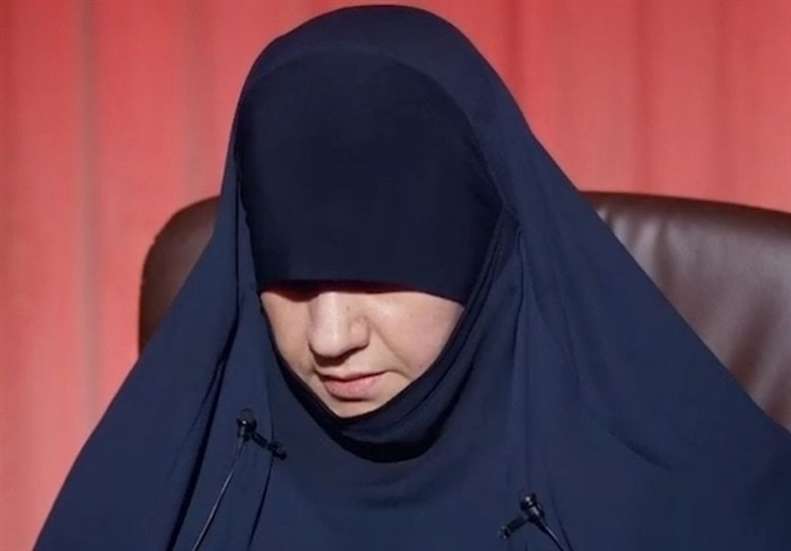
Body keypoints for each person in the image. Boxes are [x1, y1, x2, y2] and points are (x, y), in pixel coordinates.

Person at [36, 5, 791, 550]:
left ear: (478, 253)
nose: (330, 336)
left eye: (374, 280)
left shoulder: (689, 499)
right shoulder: (171, 488)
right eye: (290, 283)